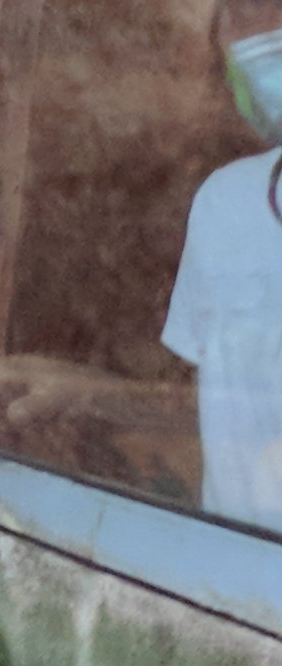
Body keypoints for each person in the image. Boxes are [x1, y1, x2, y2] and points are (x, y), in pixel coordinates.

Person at [163, 0, 282, 532]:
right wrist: (79, 395)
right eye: (243, 9)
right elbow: (195, 401)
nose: (267, 31)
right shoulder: (225, 201)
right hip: (223, 572)